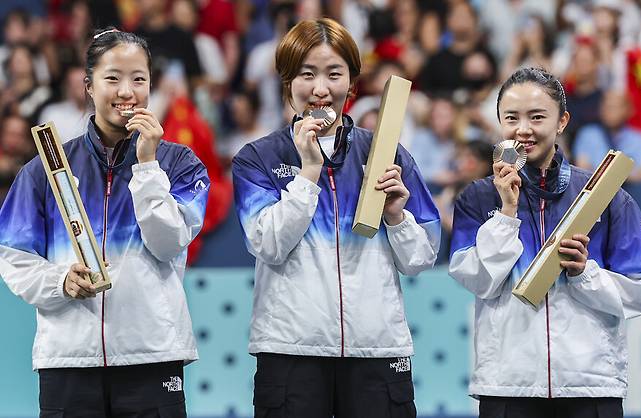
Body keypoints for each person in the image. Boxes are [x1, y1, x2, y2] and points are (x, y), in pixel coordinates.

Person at [232, 18, 441, 418]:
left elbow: (421, 259)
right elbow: (268, 245)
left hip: (377, 348)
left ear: (353, 81)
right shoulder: (257, 158)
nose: (320, 89)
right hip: (291, 350)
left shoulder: (386, 153)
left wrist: (397, 218)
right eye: (306, 74)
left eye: (334, 74)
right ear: (287, 81)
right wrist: (308, 173)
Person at [0, 28, 209, 416]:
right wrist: (60, 281)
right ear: (89, 86)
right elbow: (13, 256)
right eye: (112, 78)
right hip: (68, 360)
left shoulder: (180, 164)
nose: (126, 91)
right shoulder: (44, 171)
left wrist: (147, 166)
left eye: (139, 79)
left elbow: (167, 244)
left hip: (152, 356)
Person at [448, 67, 641, 418]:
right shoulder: (479, 196)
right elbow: (480, 282)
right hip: (507, 385)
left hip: (590, 385)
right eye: (511, 117)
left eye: (537, 117)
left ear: (562, 121)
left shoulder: (604, 195)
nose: (523, 129)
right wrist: (506, 213)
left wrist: (583, 274)